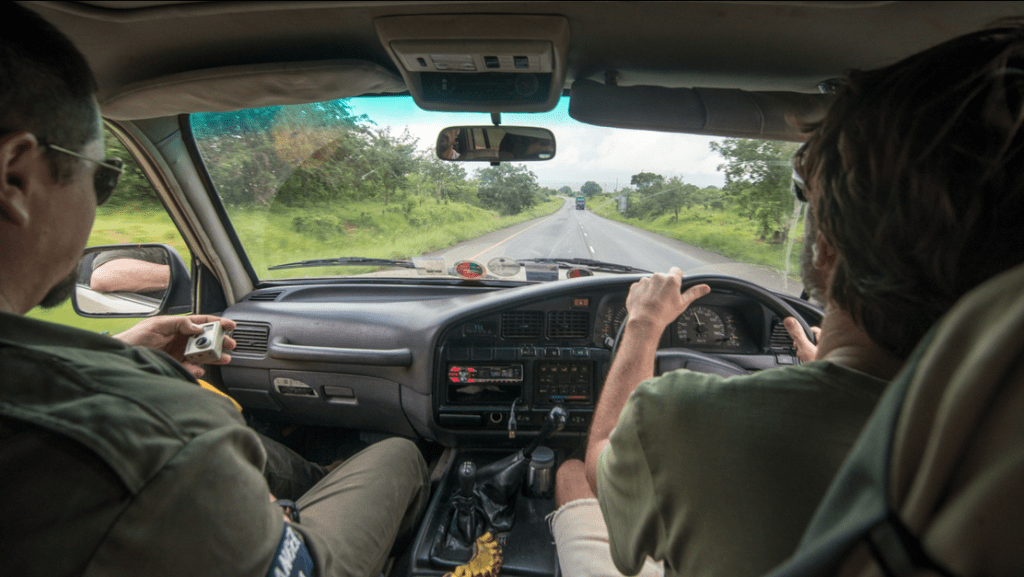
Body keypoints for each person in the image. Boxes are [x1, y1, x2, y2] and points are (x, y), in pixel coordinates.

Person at [550, 23, 1024, 577]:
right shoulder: (1002, 463)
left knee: (570, 476)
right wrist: (833, 371)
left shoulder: (680, 419)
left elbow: (604, 451)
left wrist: (643, 326)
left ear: (828, 246)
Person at [0, 5, 429, 576]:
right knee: (401, 454)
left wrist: (126, 356)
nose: (96, 203)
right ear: (14, 175)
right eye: (101, 177)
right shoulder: (160, 432)